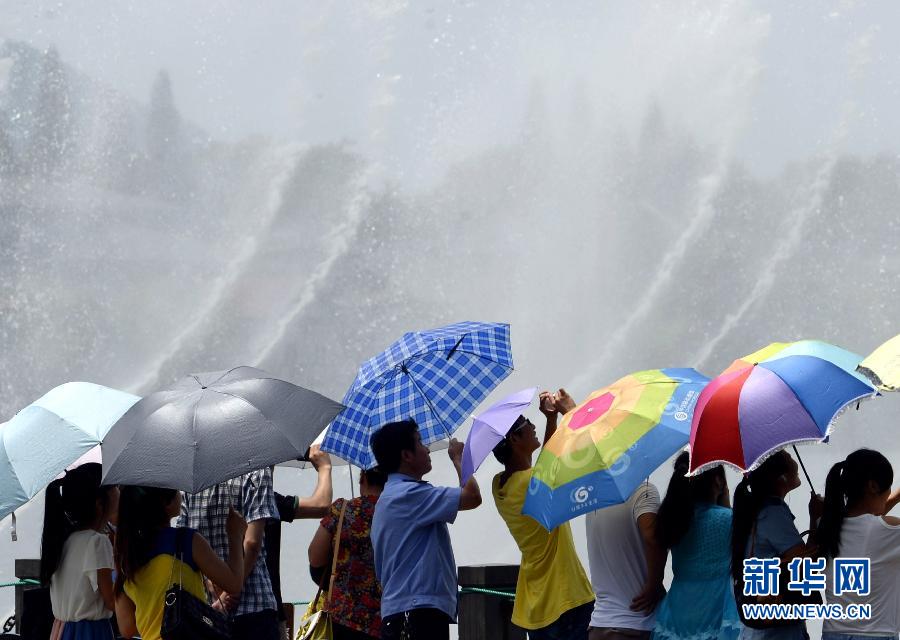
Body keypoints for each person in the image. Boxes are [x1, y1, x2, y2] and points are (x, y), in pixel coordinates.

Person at [492, 389, 594, 639]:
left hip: (536, 605)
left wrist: (551, 420)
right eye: (527, 424)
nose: (532, 426)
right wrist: (570, 412)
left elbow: (543, 469)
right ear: (514, 439)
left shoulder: (500, 485)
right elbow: (572, 457)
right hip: (565, 597)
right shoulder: (530, 482)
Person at [369, 419, 482, 640]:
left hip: (406, 612)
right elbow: (472, 496)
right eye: (420, 442)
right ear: (406, 455)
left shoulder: (391, 495)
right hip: (417, 613)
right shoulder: (409, 495)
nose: (427, 449)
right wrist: (459, 458)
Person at [113, 485, 246, 640]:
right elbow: (234, 583)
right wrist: (235, 535)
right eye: (176, 490)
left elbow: (127, 628)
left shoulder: (128, 555)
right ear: (166, 502)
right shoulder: (186, 540)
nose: (180, 494)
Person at [178, 468, 281, 640]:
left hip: (208, 609)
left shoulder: (191, 482)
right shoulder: (257, 472)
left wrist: (211, 581)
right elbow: (252, 543)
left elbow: (184, 543)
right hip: (254, 604)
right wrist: (231, 588)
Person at [731, 449, 822, 640]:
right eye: (788, 457)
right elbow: (804, 562)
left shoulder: (761, 508)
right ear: (781, 477)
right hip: (777, 632)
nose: (793, 459)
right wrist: (822, 520)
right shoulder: (773, 513)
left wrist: (814, 516)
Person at [651, 451, 740, 640]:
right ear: (718, 481)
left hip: (677, 615)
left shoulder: (674, 520)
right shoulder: (729, 520)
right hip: (717, 613)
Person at [817, 449, 900, 640]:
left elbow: (866, 517)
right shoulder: (887, 531)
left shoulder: (824, 524)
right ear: (872, 486)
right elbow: (873, 523)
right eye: (889, 487)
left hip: (832, 634)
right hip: (876, 635)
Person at [40, 463, 118, 640]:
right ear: (100, 503)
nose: (119, 492)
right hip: (90, 633)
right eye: (115, 487)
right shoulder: (98, 542)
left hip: (61, 630)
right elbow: (112, 601)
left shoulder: (64, 539)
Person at [308, 466, 388, 640]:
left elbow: (315, 557)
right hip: (385, 617)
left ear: (363, 479)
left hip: (342, 616)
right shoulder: (397, 511)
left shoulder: (342, 510)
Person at [586, 471, 665, 640]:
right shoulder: (643, 492)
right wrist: (655, 584)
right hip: (635, 626)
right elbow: (653, 538)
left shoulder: (596, 500)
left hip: (599, 625)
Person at [266, 446, 334, 639]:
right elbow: (321, 505)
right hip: (264, 611)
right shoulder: (266, 501)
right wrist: (324, 468)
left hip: (213, 608)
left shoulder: (203, 494)